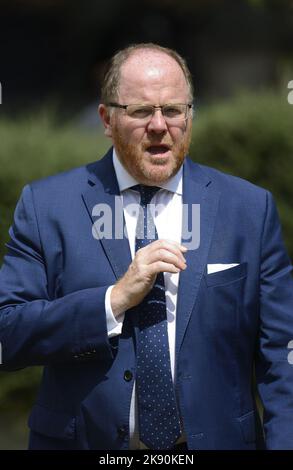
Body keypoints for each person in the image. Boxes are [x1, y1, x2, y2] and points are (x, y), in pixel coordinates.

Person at [0, 43, 293, 451]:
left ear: (190, 115)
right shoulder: (48, 206)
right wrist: (113, 300)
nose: (160, 125)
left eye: (173, 110)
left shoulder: (248, 209)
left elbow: (283, 353)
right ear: (107, 119)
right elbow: (9, 333)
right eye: (140, 112)